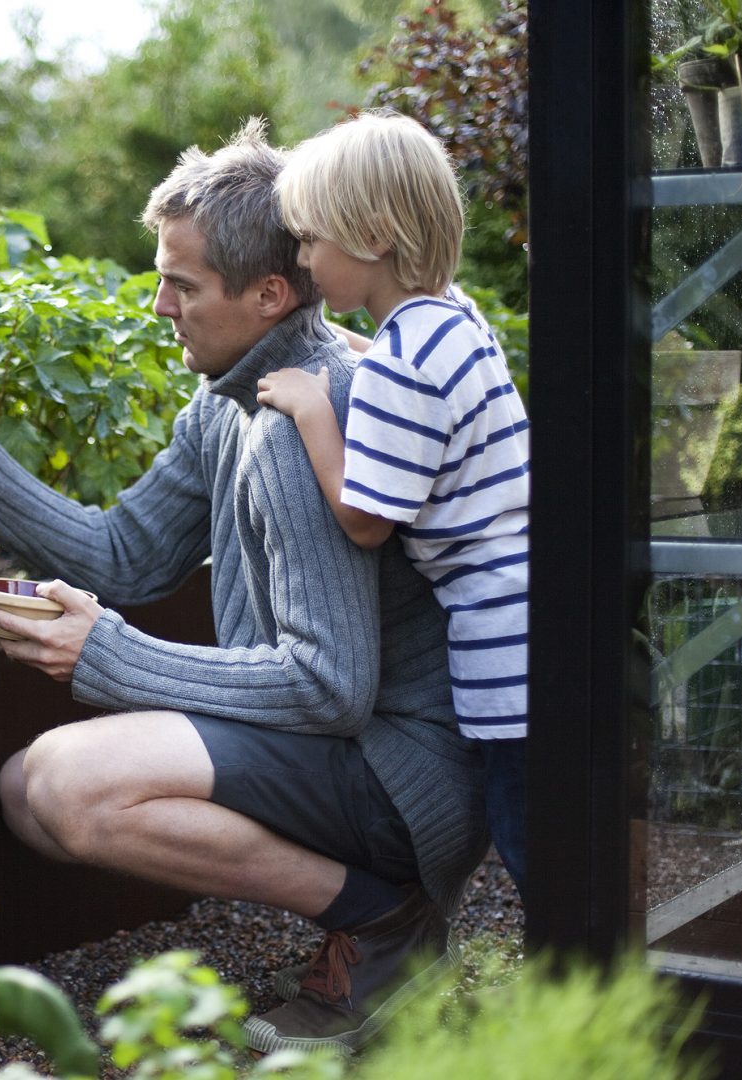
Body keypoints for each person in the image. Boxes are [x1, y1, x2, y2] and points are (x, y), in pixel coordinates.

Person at [0, 118, 486, 1056]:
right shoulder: (230, 401)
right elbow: (127, 555)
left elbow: (330, 684)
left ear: (271, 293)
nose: (161, 305)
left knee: (71, 790)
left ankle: (385, 918)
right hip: (341, 743)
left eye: (183, 285)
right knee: (28, 791)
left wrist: (105, 654)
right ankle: (368, 921)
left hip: (403, 776)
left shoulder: (302, 422)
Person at [256, 110, 529, 896]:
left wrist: (312, 408)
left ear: (372, 237)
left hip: (501, 653)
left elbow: (366, 520)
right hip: (539, 615)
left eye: (310, 239)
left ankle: (582, 1001)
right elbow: (421, 388)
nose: (303, 260)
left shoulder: (397, 369)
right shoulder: (454, 321)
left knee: (531, 845)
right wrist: (357, 351)